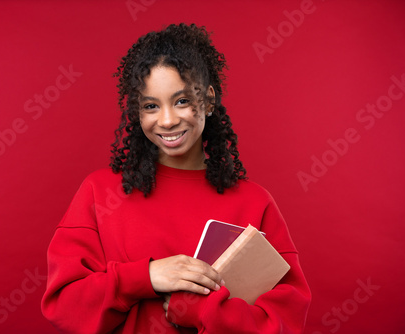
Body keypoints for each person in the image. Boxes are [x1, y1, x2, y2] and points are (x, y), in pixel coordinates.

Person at [41, 23, 311, 333]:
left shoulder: (255, 203)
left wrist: (204, 311)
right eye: (151, 106)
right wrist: (147, 277)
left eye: (181, 101)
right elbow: (64, 304)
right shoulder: (99, 192)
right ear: (137, 112)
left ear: (208, 100)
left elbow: (285, 323)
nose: (167, 120)